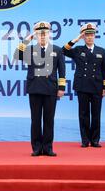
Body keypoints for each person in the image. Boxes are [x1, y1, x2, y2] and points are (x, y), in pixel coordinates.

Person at [14, 21, 66, 156]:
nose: (42, 36)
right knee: (35, 120)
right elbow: (16, 55)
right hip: (35, 88)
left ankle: (48, 147)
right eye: (39, 34)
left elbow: (62, 71)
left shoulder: (57, 50)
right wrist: (26, 41)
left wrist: (61, 88)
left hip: (51, 89)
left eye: (45, 34)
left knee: (49, 120)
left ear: (49, 34)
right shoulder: (30, 49)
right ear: (36, 35)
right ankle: (36, 147)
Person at [62, 23, 105, 148]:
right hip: (82, 86)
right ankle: (85, 140)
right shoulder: (78, 50)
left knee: (96, 114)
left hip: (96, 86)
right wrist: (76, 39)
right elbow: (64, 50)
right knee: (83, 114)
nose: (89, 37)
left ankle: (95, 140)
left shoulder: (102, 51)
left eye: (92, 35)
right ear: (83, 37)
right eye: (86, 35)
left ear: (95, 36)